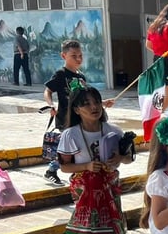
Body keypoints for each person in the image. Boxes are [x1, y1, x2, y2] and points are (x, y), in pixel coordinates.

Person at [56, 83, 133, 234]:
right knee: (97, 230)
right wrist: (87, 166)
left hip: (109, 187)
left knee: (110, 230)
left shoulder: (114, 131)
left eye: (96, 102)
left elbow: (129, 158)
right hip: (87, 190)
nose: (93, 107)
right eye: (86, 104)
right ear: (76, 110)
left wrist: (120, 158)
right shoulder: (70, 135)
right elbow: (64, 166)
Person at [43, 40, 115, 187]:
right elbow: (48, 91)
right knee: (65, 148)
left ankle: (77, 172)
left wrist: (101, 103)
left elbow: (85, 100)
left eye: (80, 55)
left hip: (81, 119)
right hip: (66, 119)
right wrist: (51, 105)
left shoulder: (81, 77)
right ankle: (52, 170)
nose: (78, 59)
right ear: (63, 56)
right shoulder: (60, 74)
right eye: (73, 55)